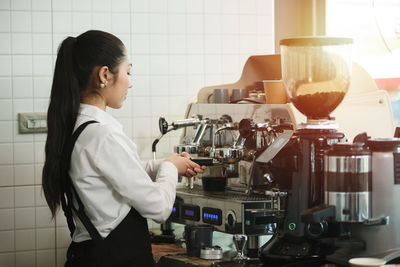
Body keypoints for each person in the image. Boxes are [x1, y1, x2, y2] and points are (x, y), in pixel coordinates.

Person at [42, 30, 205, 267]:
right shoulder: (102, 135)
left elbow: (121, 172)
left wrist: (166, 163)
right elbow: (159, 208)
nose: (130, 81)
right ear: (105, 75)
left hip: (89, 255)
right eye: (127, 72)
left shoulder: (78, 128)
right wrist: (170, 168)